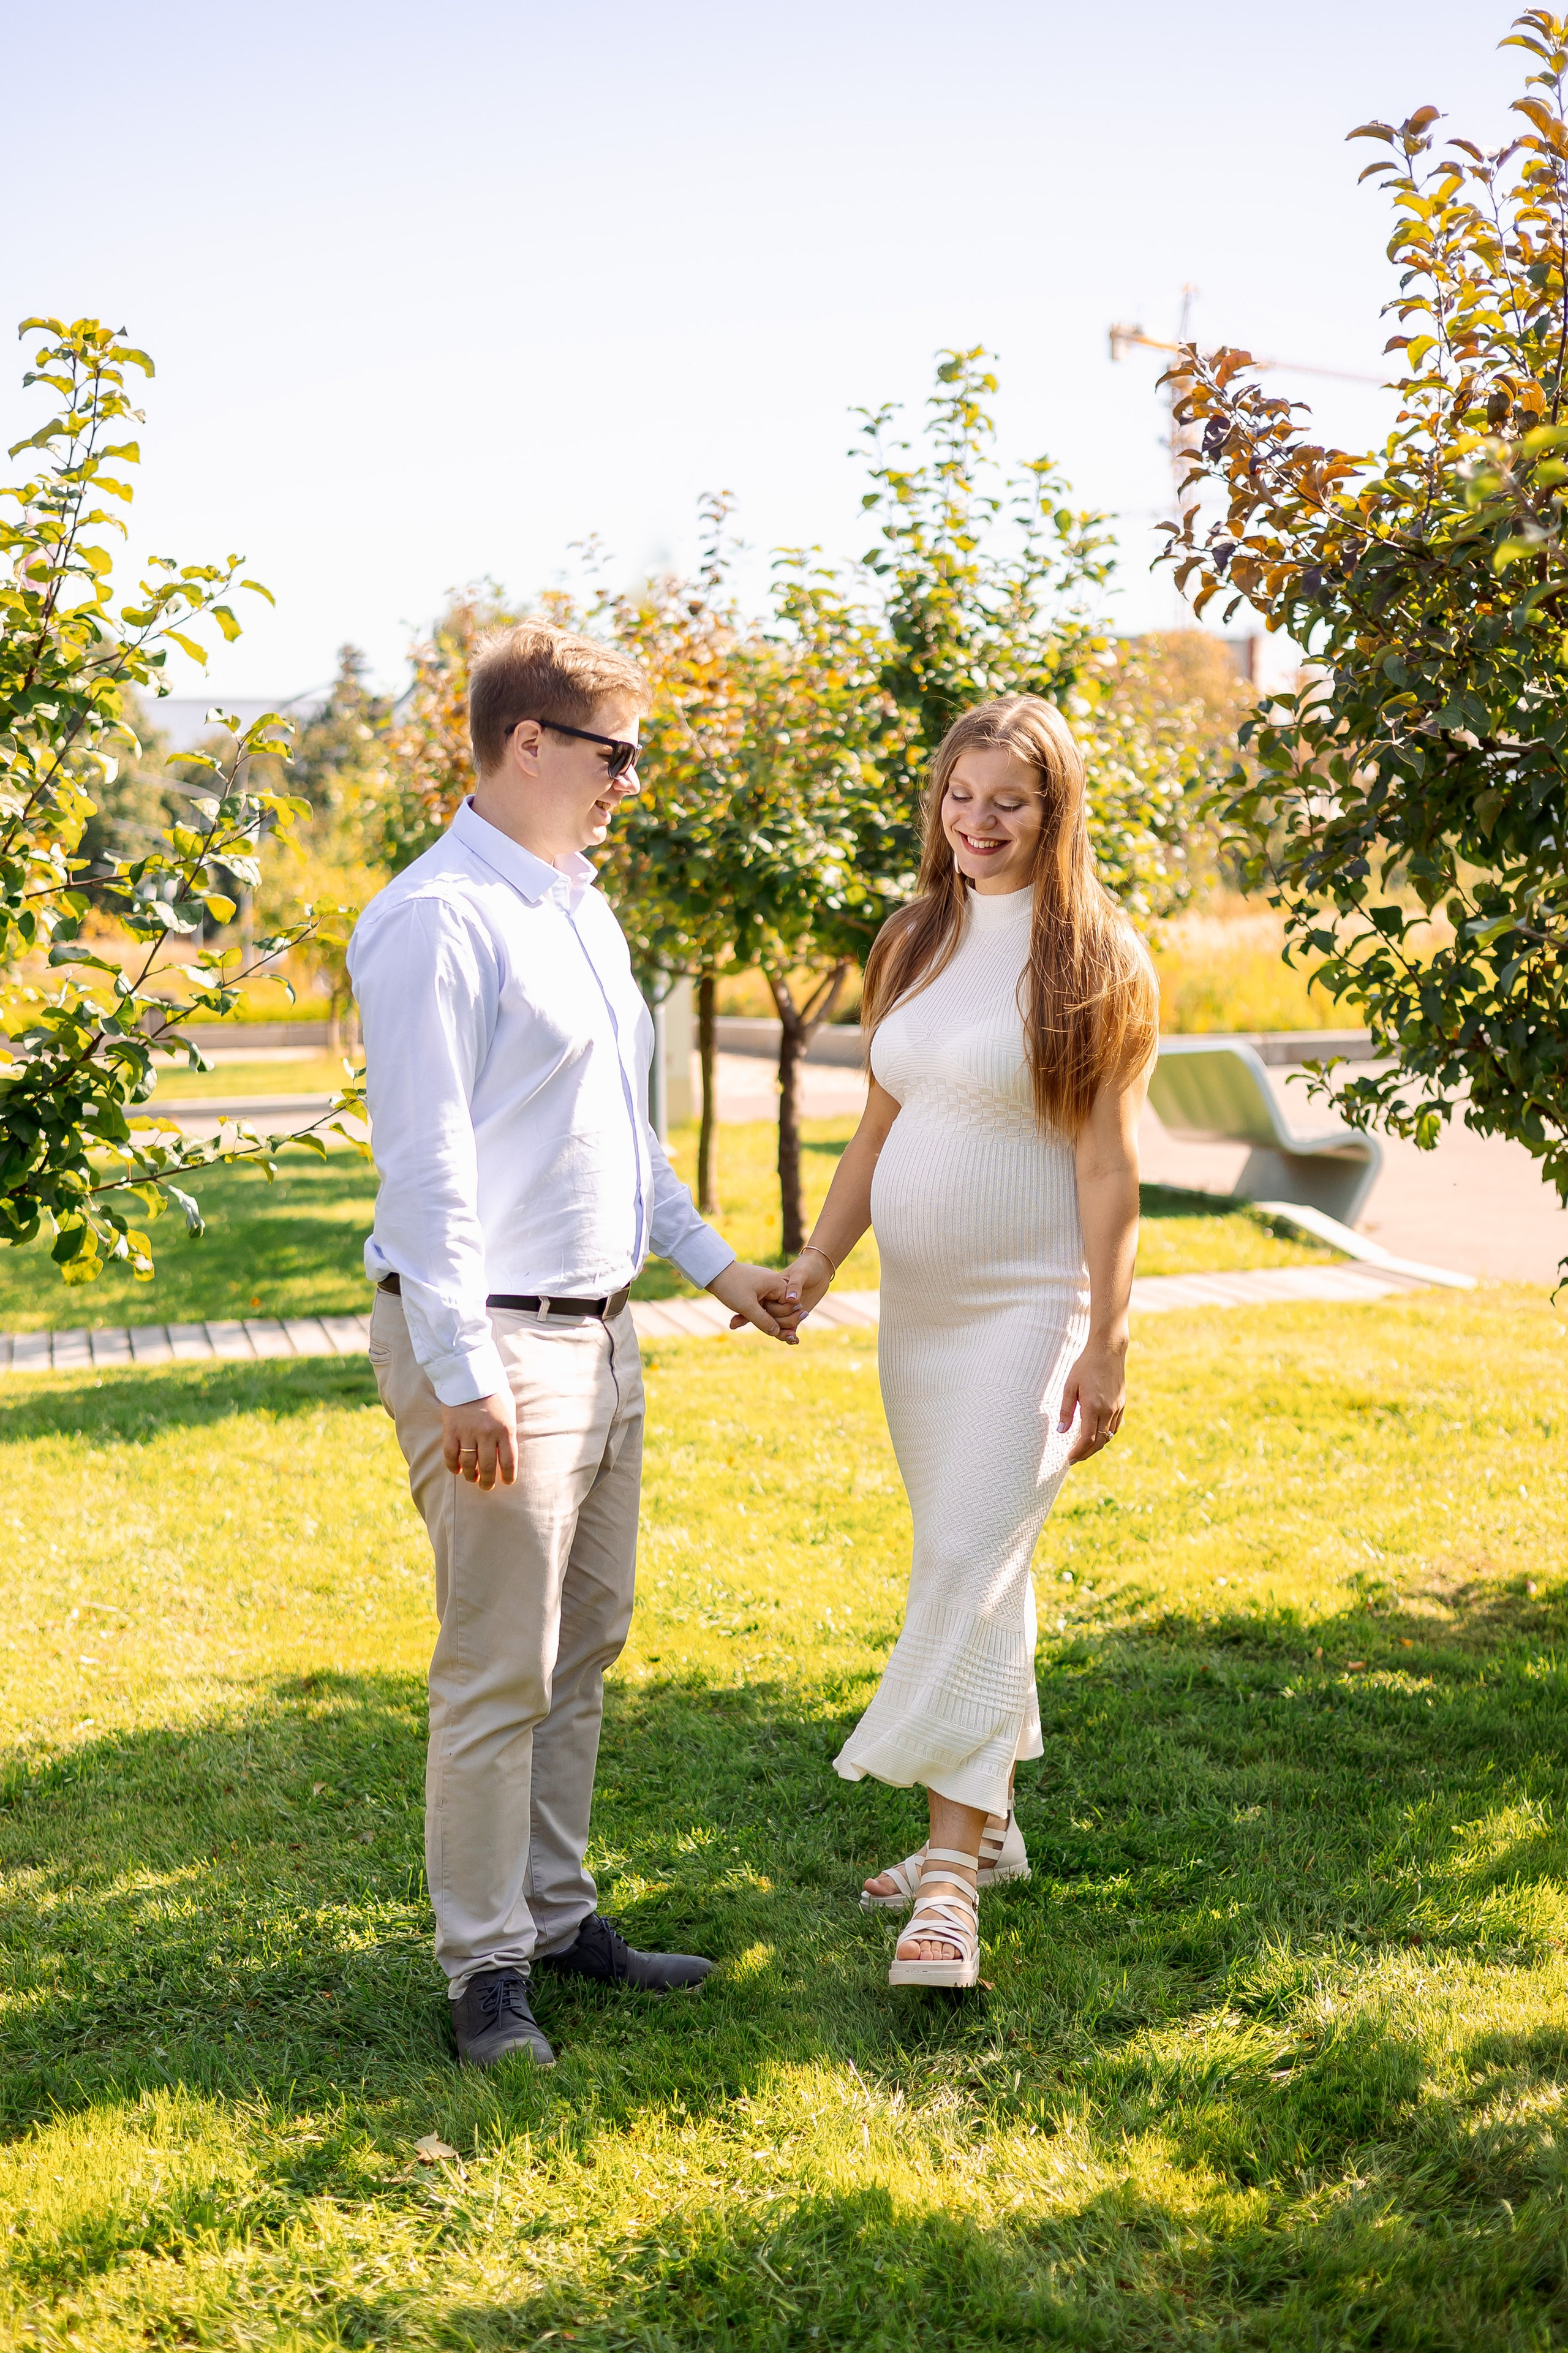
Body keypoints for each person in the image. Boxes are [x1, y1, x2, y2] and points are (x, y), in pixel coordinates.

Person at [349, 622, 797, 2069]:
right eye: (616, 754)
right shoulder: (435, 921)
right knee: (498, 1663)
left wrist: (720, 1269)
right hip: (493, 1347)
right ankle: (483, 1969)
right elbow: (428, 1171)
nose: (629, 782)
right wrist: (464, 1376)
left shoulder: (583, 913)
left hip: (602, 1336)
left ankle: (553, 1919)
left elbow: (621, 1144)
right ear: (528, 744)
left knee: (583, 1641)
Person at [778, 695, 1157, 1989]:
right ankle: (990, 1832)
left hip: (1033, 1308)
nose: (978, 822)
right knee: (983, 1558)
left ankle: (947, 1884)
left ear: (1055, 814)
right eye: (960, 795)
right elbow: (879, 1125)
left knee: (963, 1556)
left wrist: (1108, 1340)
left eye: (1008, 801)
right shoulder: (912, 938)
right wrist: (820, 1260)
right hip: (921, 1317)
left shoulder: (1096, 956)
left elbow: (1107, 1166)